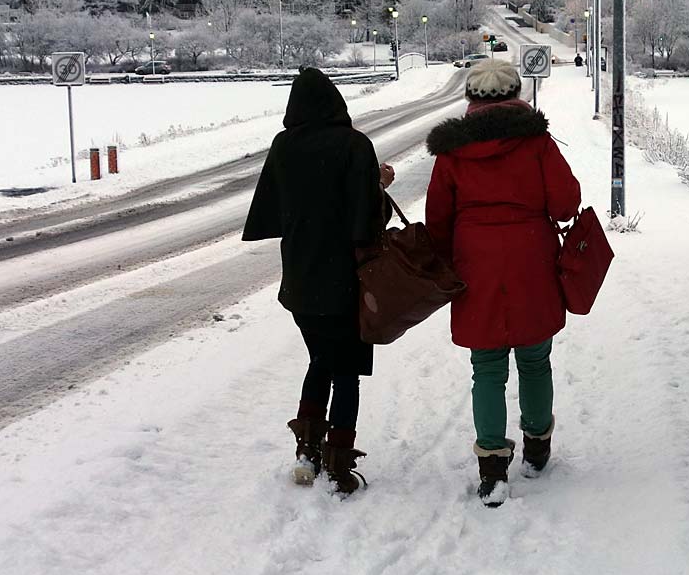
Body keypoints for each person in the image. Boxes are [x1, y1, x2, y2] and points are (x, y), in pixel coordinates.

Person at [425, 59, 581, 507]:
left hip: (476, 264)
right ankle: (536, 447)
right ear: (517, 95)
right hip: (532, 256)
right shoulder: (537, 143)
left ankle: (492, 467)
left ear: (471, 100)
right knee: (535, 358)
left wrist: (450, 255)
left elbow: (438, 218)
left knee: (487, 366)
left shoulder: (452, 151)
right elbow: (567, 203)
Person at [242, 67, 393, 495]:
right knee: (345, 371)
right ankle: (339, 464)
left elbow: (273, 210)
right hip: (346, 278)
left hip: (301, 280)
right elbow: (368, 222)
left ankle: (307, 452)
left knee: (319, 362)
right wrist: (378, 185)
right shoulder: (354, 145)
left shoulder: (283, 146)